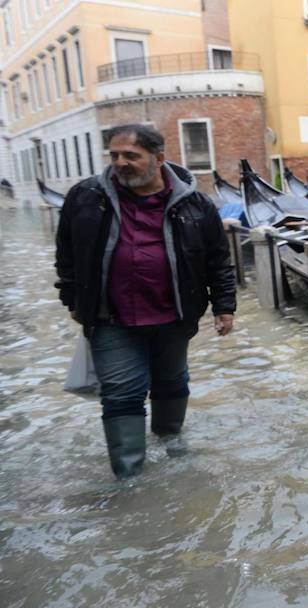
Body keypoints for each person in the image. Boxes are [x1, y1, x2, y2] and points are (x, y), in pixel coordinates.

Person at [55, 124, 236, 479]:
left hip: (174, 314)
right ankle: (130, 478)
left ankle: (171, 442)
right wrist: (72, 298)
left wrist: (224, 306)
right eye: (114, 155)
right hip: (111, 317)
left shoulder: (196, 203)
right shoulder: (86, 196)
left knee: (171, 381)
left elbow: (217, 258)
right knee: (122, 393)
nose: (120, 163)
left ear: (158, 159)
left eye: (131, 156)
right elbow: (66, 253)